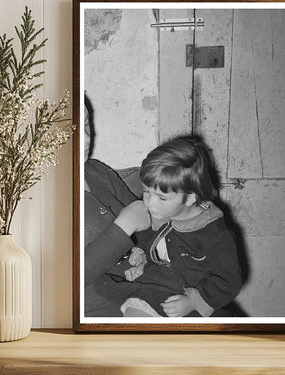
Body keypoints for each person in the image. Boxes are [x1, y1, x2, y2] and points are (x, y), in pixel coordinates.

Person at [108, 137, 242, 317]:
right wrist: (140, 256)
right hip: (151, 290)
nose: (149, 203)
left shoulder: (214, 234)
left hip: (192, 299)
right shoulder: (159, 212)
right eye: (146, 191)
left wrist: (193, 302)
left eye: (161, 197)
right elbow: (149, 240)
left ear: (190, 198)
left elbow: (228, 281)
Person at [83, 103, 151, 316]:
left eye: (86, 124)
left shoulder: (97, 170)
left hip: (141, 290)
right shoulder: (37, 192)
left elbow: (147, 221)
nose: (86, 138)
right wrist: (124, 226)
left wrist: (145, 254)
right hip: (95, 308)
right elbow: (64, 279)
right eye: (72, 129)